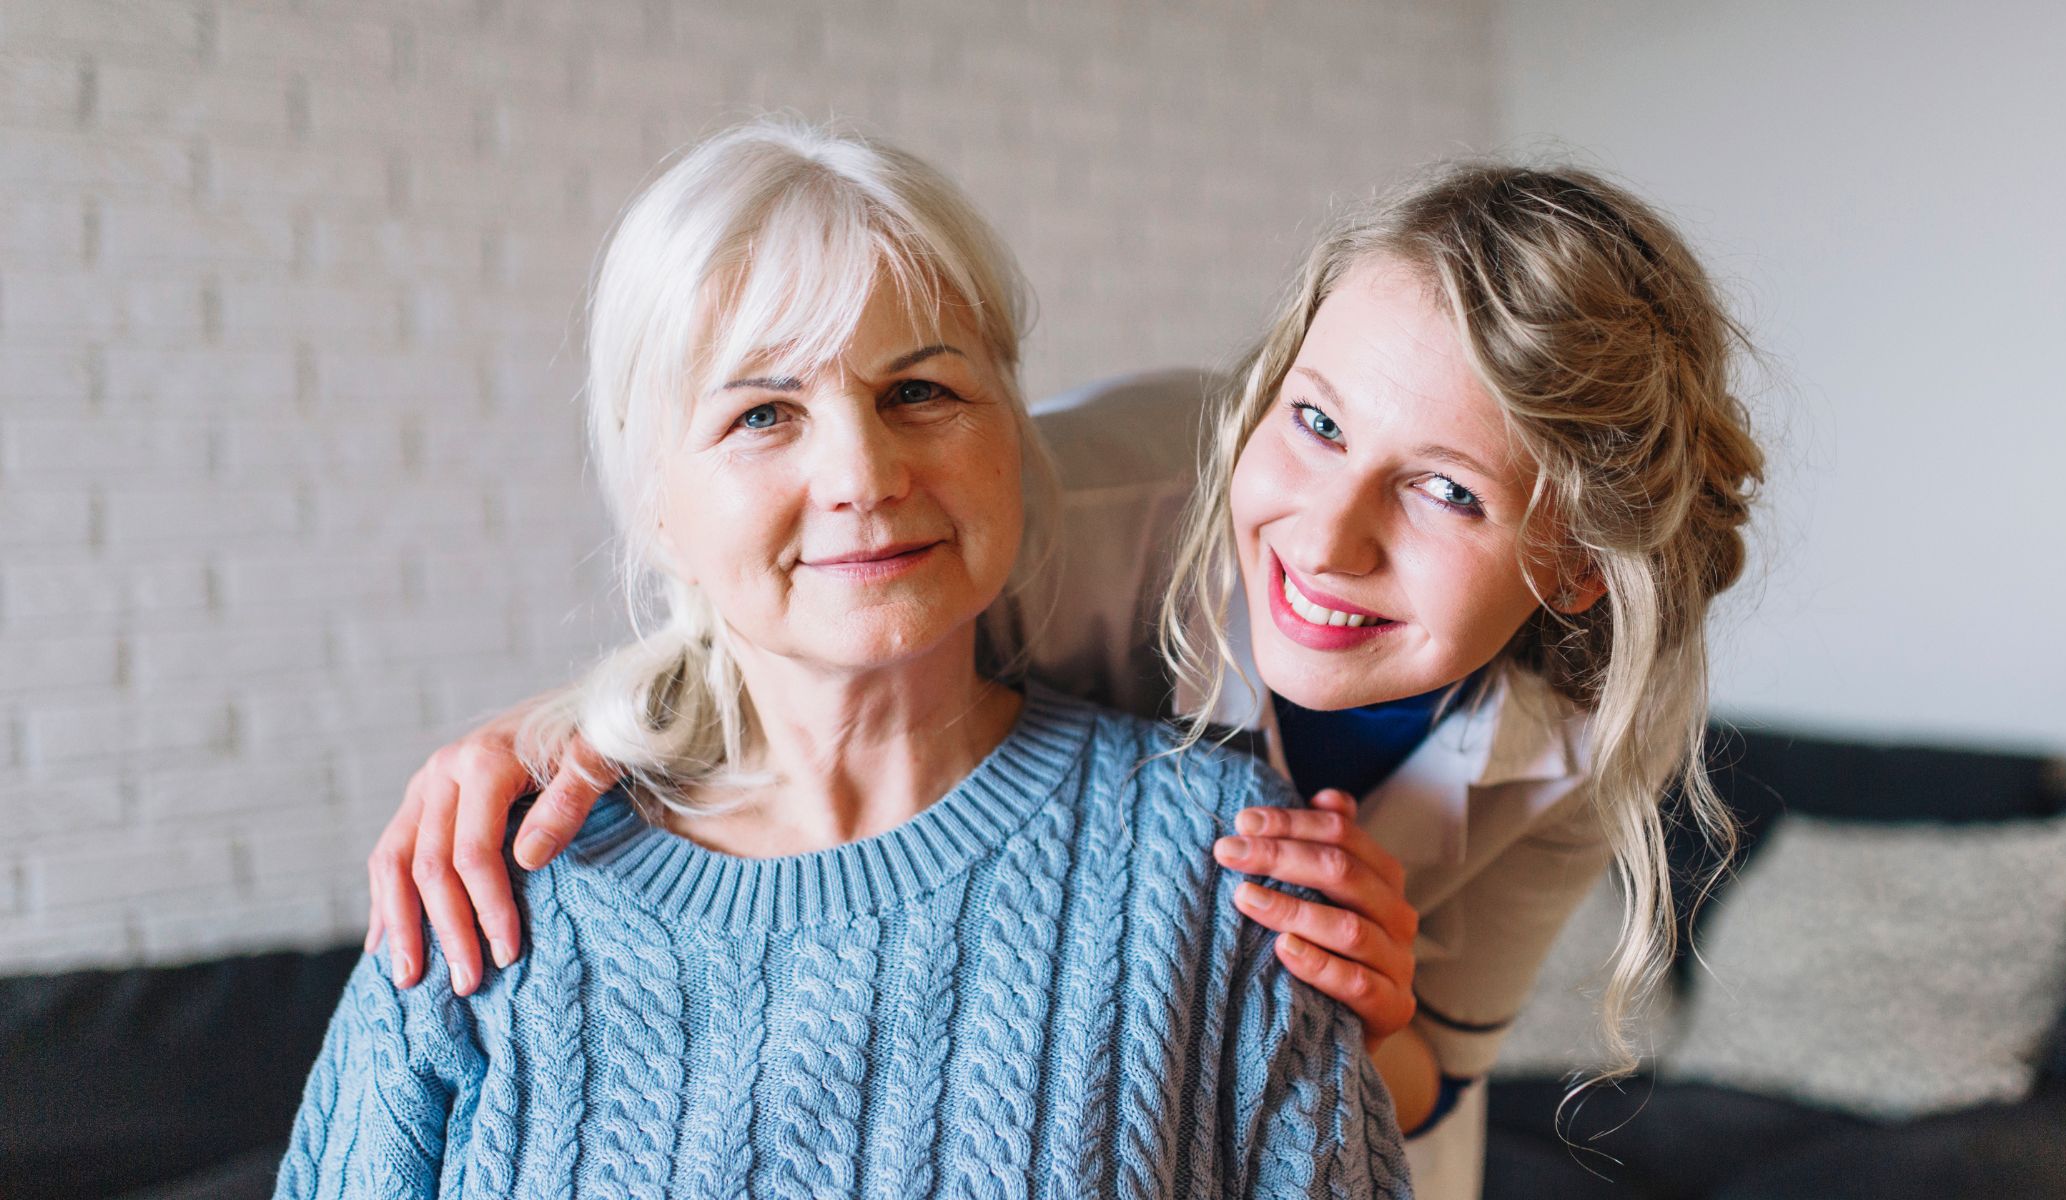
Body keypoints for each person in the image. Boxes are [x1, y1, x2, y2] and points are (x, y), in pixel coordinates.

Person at [369, 156, 1764, 1200]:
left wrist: (1373, 1007)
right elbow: (801, 586)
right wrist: (554, 728)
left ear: (1577, 566)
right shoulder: (1080, 505)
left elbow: (1430, 1074)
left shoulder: (1580, 740)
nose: (1326, 538)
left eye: (1449, 493)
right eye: (1317, 420)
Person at [276, 119, 1410, 1199]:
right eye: (764, 413)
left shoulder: (1223, 856)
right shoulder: (486, 894)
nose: (864, 474)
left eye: (919, 391)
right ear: (656, 500)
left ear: (1013, 436)